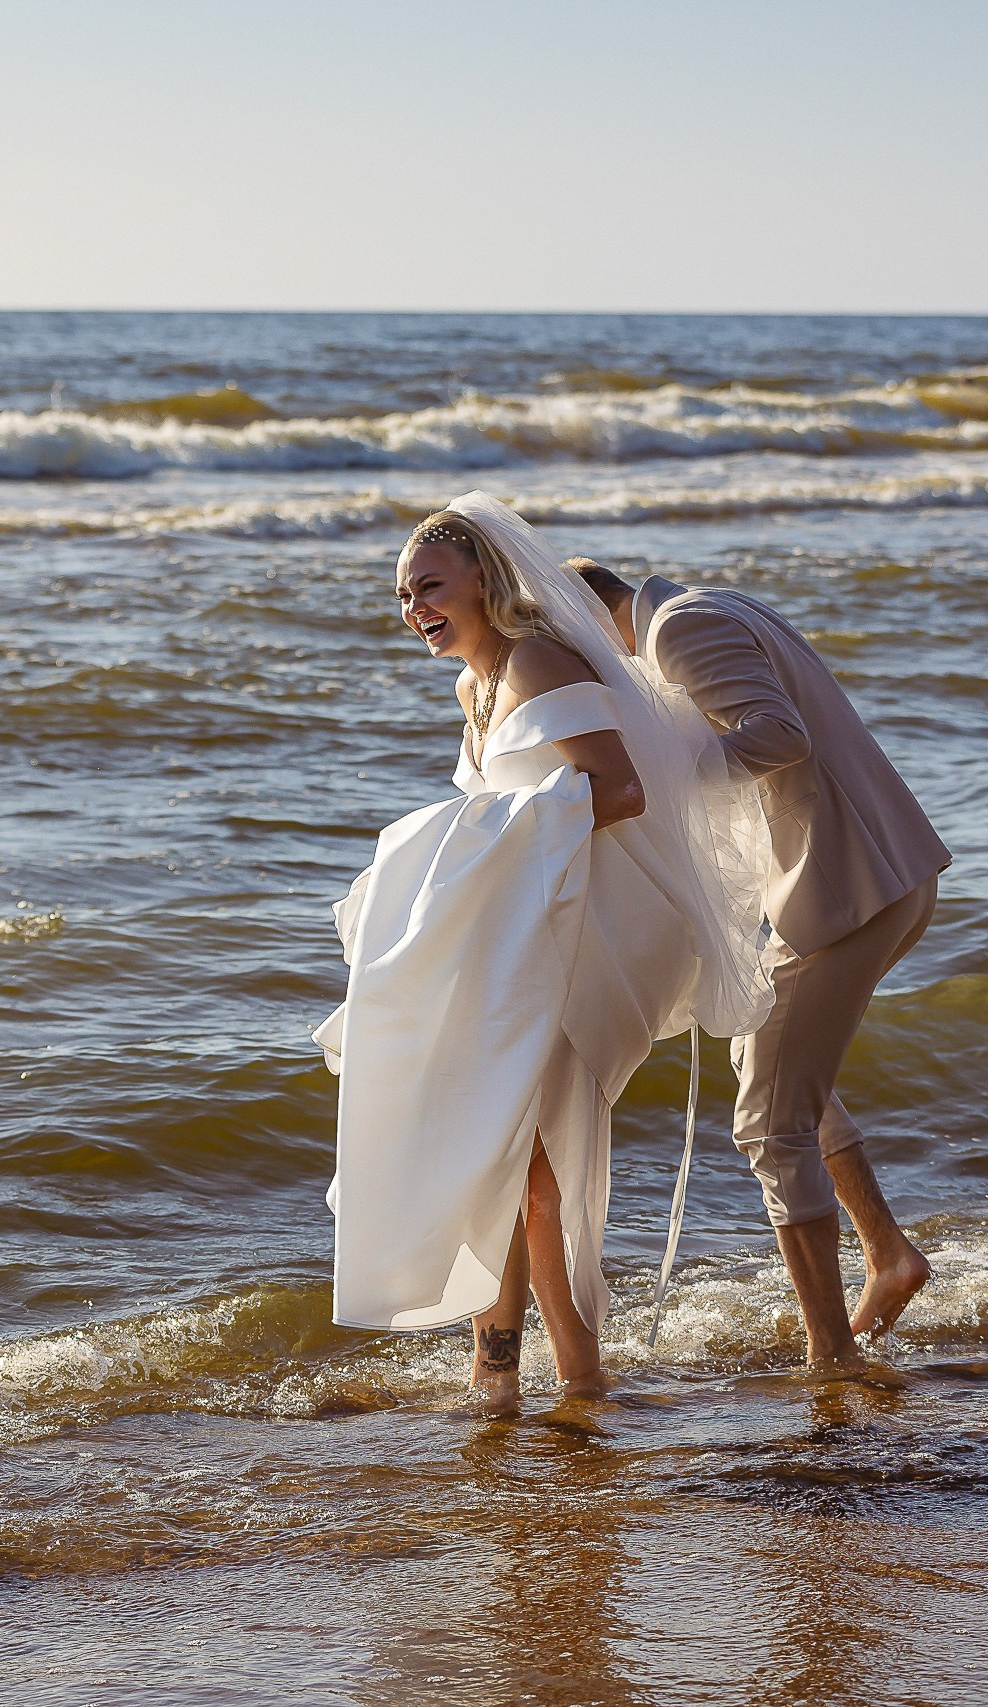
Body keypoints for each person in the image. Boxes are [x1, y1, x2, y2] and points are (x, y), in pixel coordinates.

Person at [316, 496, 772, 1414]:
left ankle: (573, 1379)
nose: (415, 611)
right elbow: (520, 800)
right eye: (403, 597)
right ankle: (503, 1370)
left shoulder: (536, 661)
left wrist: (472, 840)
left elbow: (621, 788)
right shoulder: (474, 686)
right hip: (528, 933)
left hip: (592, 934)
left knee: (534, 1168)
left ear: (484, 578)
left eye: (431, 588)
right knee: (505, 1156)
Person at [572, 555, 950, 1370]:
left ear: (593, 619)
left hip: (851, 883)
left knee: (769, 1123)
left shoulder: (680, 628)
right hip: (870, 874)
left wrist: (660, 779)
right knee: (762, 1053)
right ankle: (889, 1256)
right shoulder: (708, 604)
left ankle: (832, 1354)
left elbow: (780, 735)